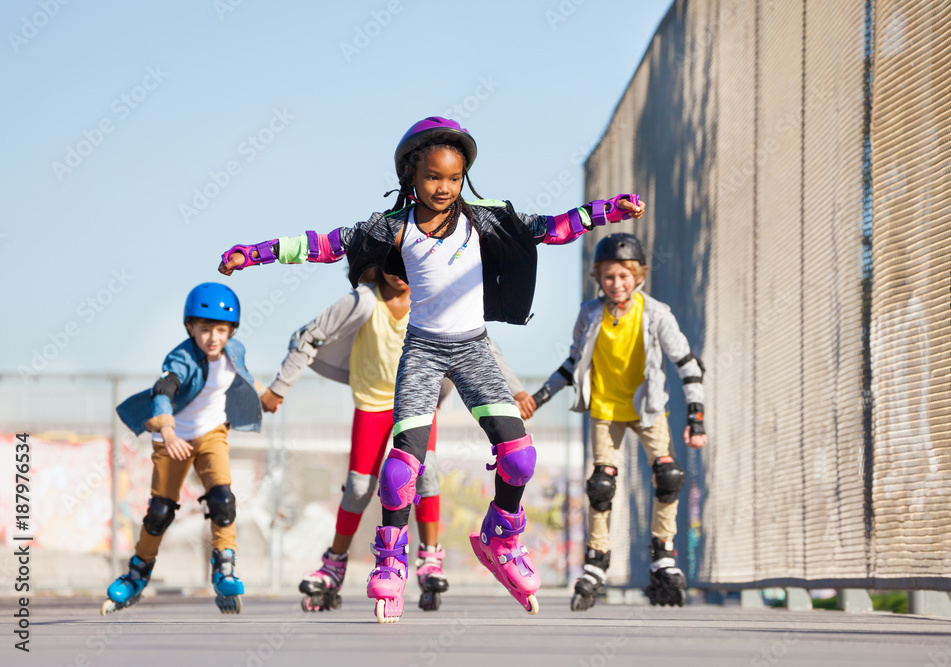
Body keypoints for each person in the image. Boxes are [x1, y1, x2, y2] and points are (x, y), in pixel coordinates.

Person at [217, 116, 643, 622]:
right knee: (402, 470)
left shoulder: (483, 219)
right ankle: (392, 560)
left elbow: (549, 229)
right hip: (422, 352)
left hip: (474, 349)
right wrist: (254, 255)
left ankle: (501, 537)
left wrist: (605, 212)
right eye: (433, 177)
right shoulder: (392, 227)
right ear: (411, 178)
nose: (445, 187)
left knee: (520, 459)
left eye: (454, 178)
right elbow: (323, 243)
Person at [261, 267, 530, 612]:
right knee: (359, 487)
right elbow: (311, 336)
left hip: (418, 404)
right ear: (373, 266)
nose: (401, 277)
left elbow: (480, 344)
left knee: (426, 474)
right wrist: (279, 387)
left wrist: (515, 389)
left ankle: (429, 558)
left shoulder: (431, 301)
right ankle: (335, 563)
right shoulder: (362, 301)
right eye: (392, 268)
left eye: (408, 267)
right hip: (373, 403)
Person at [529, 233, 706, 610]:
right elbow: (572, 364)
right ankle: (597, 560)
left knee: (669, 475)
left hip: (648, 408)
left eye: (624, 276)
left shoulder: (656, 314)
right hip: (606, 409)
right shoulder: (589, 314)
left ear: (638, 275)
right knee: (601, 485)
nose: (616, 283)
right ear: (599, 278)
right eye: (609, 276)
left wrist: (697, 416)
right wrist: (540, 396)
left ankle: (663, 551)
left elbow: (688, 364)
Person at [109, 283, 262, 616]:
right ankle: (137, 572)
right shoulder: (181, 357)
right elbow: (164, 389)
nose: (213, 338)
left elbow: (242, 378)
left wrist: (264, 398)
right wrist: (167, 429)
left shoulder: (236, 351)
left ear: (231, 331)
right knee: (161, 511)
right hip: (172, 436)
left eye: (221, 330)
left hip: (212, 435)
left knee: (223, 500)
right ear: (190, 327)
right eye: (205, 329)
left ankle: (224, 567)